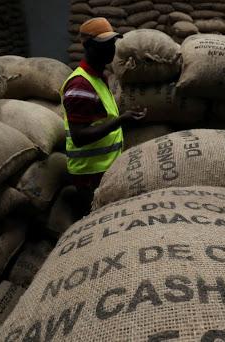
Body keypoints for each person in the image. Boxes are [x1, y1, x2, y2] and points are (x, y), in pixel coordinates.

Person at [60, 17, 146, 213]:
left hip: (103, 169)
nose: (110, 49)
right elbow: (79, 137)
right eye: (104, 44)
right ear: (88, 46)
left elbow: (101, 120)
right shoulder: (80, 85)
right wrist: (121, 120)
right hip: (89, 174)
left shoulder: (99, 78)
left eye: (112, 43)